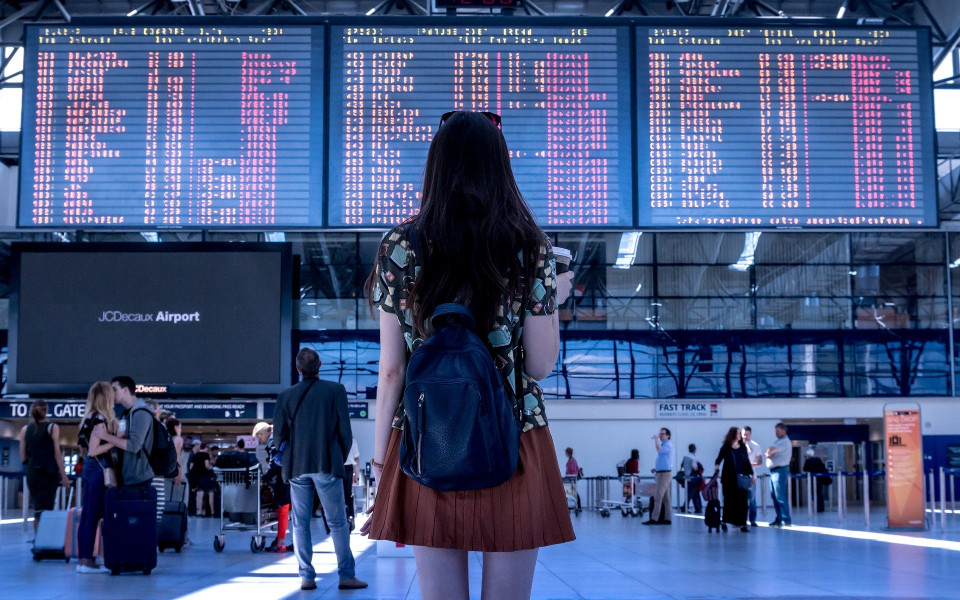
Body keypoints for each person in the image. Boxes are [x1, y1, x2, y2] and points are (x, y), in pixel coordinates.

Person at [361, 110, 576, 600]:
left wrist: (379, 463)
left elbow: (392, 369)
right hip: (515, 438)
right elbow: (540, 366)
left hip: (425, 437)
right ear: (500, 166)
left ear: (436, 165)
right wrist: (551, 301)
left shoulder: (400, 245)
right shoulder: (530, 247)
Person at [274, 347, 365, 592]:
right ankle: (346, 575)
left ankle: (306, 577)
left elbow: (278, 436)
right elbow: (346, 433)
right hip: (327, 463)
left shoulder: (285, 396)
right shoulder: (335, 391)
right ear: (320, 365)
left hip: (296, 467)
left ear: (297, 369)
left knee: (300, 523)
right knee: (337, 523)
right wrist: (338, 457)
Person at [76, 382, 117, 573]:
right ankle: (87, 561)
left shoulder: (87, 418)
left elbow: (85, 450)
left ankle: (82, 559)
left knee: (86, 516)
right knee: (93, 516)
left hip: (88, 469)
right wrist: (115, 441)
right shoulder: (100, 419)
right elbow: (94, 450)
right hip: (100, 469)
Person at [19, 400, 72, 533]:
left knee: (38, 509)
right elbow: (57, 453)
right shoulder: (52, 427)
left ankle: (38, 541)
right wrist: (64, 476)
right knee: (47, 508)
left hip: (33, 473)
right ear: (46, 411)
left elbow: (22, 457)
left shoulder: (25, 430)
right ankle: (44, 540)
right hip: (48, 473)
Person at [93, 376, 154, 487]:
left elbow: (134, 446)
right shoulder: (128, 413)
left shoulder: (141, 413)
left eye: (114, 389)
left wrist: (105, 436)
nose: (111, 393)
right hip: (128, 477)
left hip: (138, 479)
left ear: (125, 390)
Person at [253, 422, 292, 553]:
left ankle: (280, 542)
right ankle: (284, 540)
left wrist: (265, 477)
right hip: (292, 474)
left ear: (263, 433)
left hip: (283, 478)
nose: (260, 441)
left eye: (259, 438)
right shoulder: (281, 435)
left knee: (282, 509)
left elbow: (276, 460)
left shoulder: (273, 439)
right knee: (288, 509)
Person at [714, 427, 753, 532]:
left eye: (740, 433)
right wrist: (717, 465)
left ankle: (743, 524)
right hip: (728, 479)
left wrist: (751, 474)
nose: (740, 435)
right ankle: (724, 521)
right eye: (738, 433)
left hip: (741, 478)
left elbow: (746, 461)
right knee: (728, 501)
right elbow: (719, 458)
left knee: (743, 501)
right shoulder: (726, 447)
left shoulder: (743, 447)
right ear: (733, 435)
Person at [643, 428, 674, 525]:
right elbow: (665, 461)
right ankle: (668, 519)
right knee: (666, 498)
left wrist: (656, 440)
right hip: (661, 473)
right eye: (660, 434)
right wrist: (657, 469)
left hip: (664, 475)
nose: (660, 435)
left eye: (662, 434)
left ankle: (654, 519)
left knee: (657, 496)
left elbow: (659, 450)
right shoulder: (665, 445)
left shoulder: (668, 445)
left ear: (668, 435)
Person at [765, 422, 793, 527]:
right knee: (775, 496)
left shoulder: (784, 442)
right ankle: (779, 518)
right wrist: (769, 452)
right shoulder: (778, 441)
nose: (776, 433)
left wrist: (769, 453)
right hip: (773, 471)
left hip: (780, 471)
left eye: (778, 431)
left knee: (780, 496)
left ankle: (786, 520)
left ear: (784, 431)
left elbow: (770, 451)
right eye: (775, 431)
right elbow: (768, 451)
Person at [742, 426, 764, 527]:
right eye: (743, 434)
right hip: (740, 476)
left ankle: (752, 520)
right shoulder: (737, 446)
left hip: (751, 476)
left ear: (750, 434)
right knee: (740, 499)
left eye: (747, 434)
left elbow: (760, 462)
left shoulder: (756, 446)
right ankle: (740, 520)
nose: (745, 436)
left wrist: (751, 465)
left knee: (752, 499)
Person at [190, 443, 216, 517]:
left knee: (200, 495)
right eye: (208, 448)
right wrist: (212, 467)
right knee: (211, 493)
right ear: (206, 447)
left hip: (198, 478)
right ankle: (212, 512)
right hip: (206, 477)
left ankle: (199, 512)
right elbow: (206, 465)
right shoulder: (205, 455)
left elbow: (191, 467)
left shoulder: (195, 455)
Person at [803, 448, 830, 513]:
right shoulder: (818, 460)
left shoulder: (807, 461)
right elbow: (822, 467)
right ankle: (821, 508)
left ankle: (815, 507)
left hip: (811, 480)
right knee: (820, 493)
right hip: (819, 479)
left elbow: (804, 469)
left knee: (813, 493)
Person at [343, 438, 360, 531]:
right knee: (348, 495)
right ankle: (350, 517)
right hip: (348, 469)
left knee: (338, 496)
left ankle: (342, 519)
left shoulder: (333, 437)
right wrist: (355, 475)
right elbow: (356, 459)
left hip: (336, 468)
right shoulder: (352, 440)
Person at [681, 444, 703, 514]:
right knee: (691, 494)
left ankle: (698, 508)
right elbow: (695, 468)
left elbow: (682, 466)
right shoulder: (693, 458)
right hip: (692, 478)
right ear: (694, 450)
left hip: (686, 477)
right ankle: (685, 508)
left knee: (694, 493)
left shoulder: (685, 457)